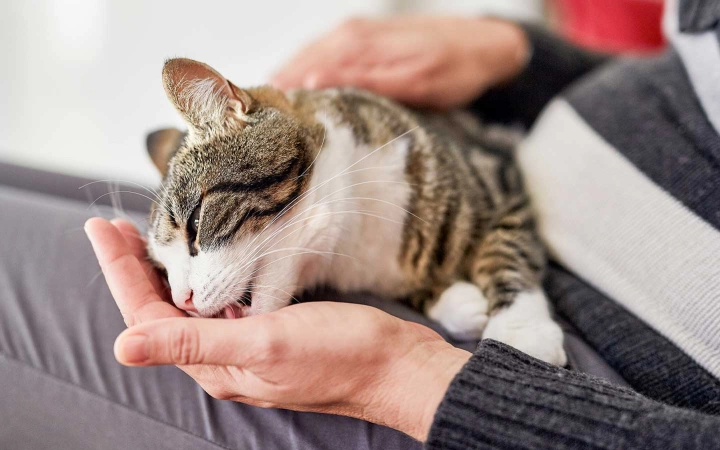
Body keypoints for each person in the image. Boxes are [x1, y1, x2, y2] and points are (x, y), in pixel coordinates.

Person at [2, 2, 720, 449]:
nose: (187, 294)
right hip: (495, 194)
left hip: (537, 391)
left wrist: (406, 378)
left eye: (191, 246)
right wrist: (516, 54)